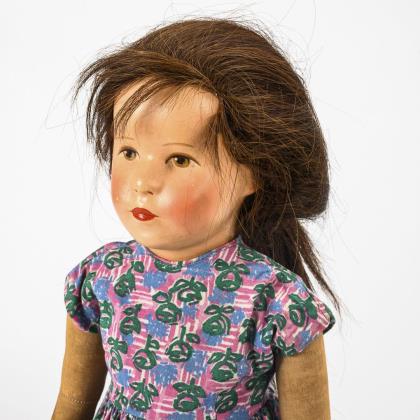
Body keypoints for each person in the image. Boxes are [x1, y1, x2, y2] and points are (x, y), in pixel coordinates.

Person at [52, 17, 342, 420]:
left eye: (180, 159)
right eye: (129, 152)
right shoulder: (101, 278)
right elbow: (72, 403)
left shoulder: (276, 301)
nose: (143, 183)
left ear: (255, 173)